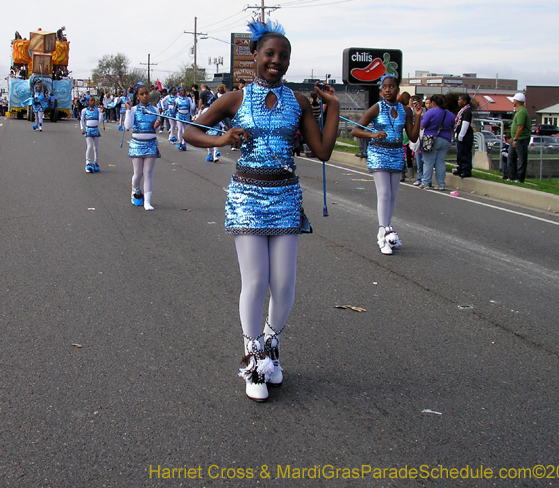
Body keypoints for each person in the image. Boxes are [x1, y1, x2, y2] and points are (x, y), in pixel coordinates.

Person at [183, 20, 339, 403]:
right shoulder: (235, 99)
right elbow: (189, 131)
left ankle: (271, 344)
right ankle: (253, 358)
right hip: (248, 197)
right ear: (255, 56)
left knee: (284, 283)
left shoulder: (299, 102)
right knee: (255, 281)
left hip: (285, 197)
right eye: (269, 54)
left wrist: (332, 107)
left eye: (283, 56)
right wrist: (222, 137)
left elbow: (322, 151)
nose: (276, 61)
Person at [352, 75, 422, 254]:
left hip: (397, 152)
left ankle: (387, 229)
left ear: (397, 89)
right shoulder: (376, 108)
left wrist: (419, 117)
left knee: (393, 194)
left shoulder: (405, 110)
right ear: (381, 90)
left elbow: (413, 137)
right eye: (385, 87)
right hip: (379, 152)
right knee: (384, 193)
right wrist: (373, 135)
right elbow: (356, 129)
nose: (388, 90)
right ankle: (383, 233)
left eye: (391, 86)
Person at [125, 84, 161, 210]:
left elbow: (158, 127)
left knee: (148, 173)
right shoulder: (134, 109)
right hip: (137, 144)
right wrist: (128, 111)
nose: (145, 96)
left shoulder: (155, 110)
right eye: (142, 94)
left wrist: (157, 124)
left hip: (151, 143)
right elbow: (127, 126)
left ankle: (147, 201)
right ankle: (135, 190)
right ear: (138, 96)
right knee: (138, 174)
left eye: (147, 93)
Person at [419, 94, 454, 190]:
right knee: (440, 162)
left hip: (431, 139)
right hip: (446, 139)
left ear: (433, 103)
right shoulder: (450, 114)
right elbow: (452, 129)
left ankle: (425, 182)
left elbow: (422, 126)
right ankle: (441, 184)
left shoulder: (430, 112)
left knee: (428, 162)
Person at [507, 92, 530, 183]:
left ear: (517, 101)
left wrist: (515, 139)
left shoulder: (522, 112)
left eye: (514, 99)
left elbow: (520, 127)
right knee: (511, 157)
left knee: (521, 159)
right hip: (515, 138)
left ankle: (520, 178)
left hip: (521, 139)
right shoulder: (519, 111)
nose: (513, 101)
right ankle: (511, 176)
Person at [80, 95, 103, 172]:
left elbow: (100, 120)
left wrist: (101, 113)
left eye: (94, 100)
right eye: (91, 100)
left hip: (95, 129)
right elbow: (82, 120)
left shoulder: (98, 110)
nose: (93, 102)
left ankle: (96, 162)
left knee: (96, 147)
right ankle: (87, 162)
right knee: (89, 146)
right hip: (88, 130)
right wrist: (82, 128)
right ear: (88, 102)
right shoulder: (84, 110)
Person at [453, 94, 474, 178]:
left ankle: (466, 170)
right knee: (460, 152)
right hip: (459, 133)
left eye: (460, 100)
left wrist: (461, 135)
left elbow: (465, 124)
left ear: (464, 101)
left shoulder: (467, 111)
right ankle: (460, 167)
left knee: (465, 152)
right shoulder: (463, 110)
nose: (458, 101)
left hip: (466, 135)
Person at [174, 86, 196, 150]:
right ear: (179, 92)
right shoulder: (177, 99)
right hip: (179, 115)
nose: (183, 92)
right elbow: (173, 108)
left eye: (184, 91)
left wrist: (193, 99)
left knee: (185, 131)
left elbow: (193, 107)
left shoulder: (188, 99)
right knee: (180, 129)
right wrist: (174, 105)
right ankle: (180, 142)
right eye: (181, 91)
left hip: (186, 115)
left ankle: (184, 143)